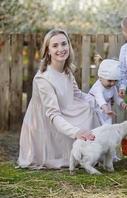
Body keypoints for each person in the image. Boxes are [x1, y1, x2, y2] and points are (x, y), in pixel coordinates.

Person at [17, 29, 100, 169]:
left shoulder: (66, 70)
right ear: (48, 50)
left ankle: (92, 152)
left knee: (88, 108)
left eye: (64, 44)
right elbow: (53, 114)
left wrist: (99, 102)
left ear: (69, 46)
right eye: (55, 46)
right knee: (80, 122)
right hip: (46, 121)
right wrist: (77, 132)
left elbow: (77, 94)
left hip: (65, 109)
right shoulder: (43, 79)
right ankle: (74, 152)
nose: (61, 49)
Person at [88, 56, 127, 125]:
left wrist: (122, 103)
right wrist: (106, 109)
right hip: (94, 107)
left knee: (106, 123)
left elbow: (116, 96)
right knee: (96, 123)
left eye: (115, 81)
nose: (112, 83)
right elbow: (100, 99)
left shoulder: (112, 86)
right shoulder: (97, 88)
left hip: (105, 108)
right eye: (109, 81)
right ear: (100, 77)